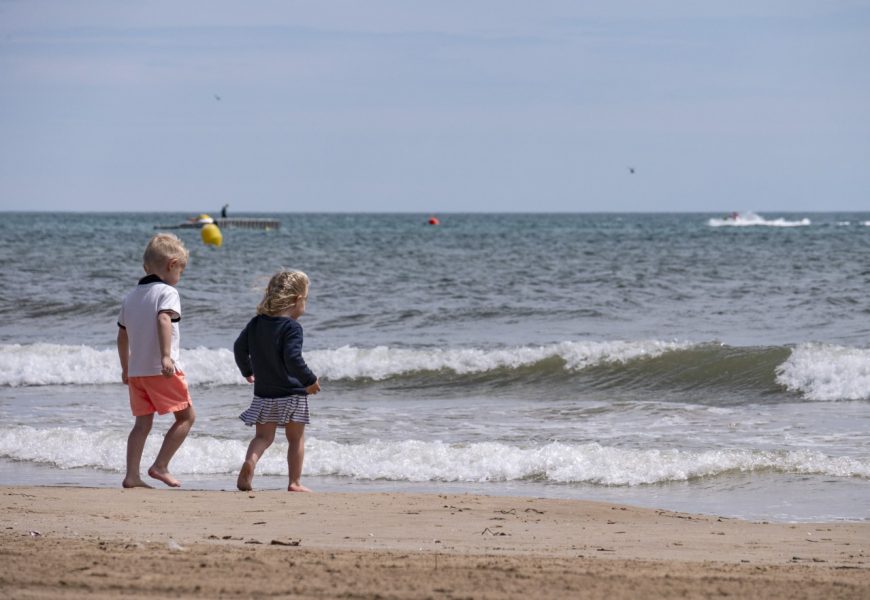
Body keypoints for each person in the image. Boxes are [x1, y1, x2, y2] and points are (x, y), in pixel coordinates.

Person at [117, 233, 196, 488]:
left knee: (142, 423)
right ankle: (160, 465)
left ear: (145, 267)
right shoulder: (167, 292)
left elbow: (122, 334)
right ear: (172, 264)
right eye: (181, 271)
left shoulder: (131, 297)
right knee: (186, 417)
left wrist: (125, 368)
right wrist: (166, 356)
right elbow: (164, 319)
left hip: (137, 372)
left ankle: (131, 476)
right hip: (161, 369)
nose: (179, 277)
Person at [233, 270, 321, 492]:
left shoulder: (256, 323)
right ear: (296, 300)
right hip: (292, 394)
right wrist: (309, 380)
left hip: (264, 393)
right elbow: (292, 358)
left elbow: (238, 348)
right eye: (306, 301)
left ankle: (250, 462)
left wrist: (247, 370)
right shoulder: (292, 327)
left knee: (263, 437)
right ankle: (294, 482)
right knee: (296, 439)